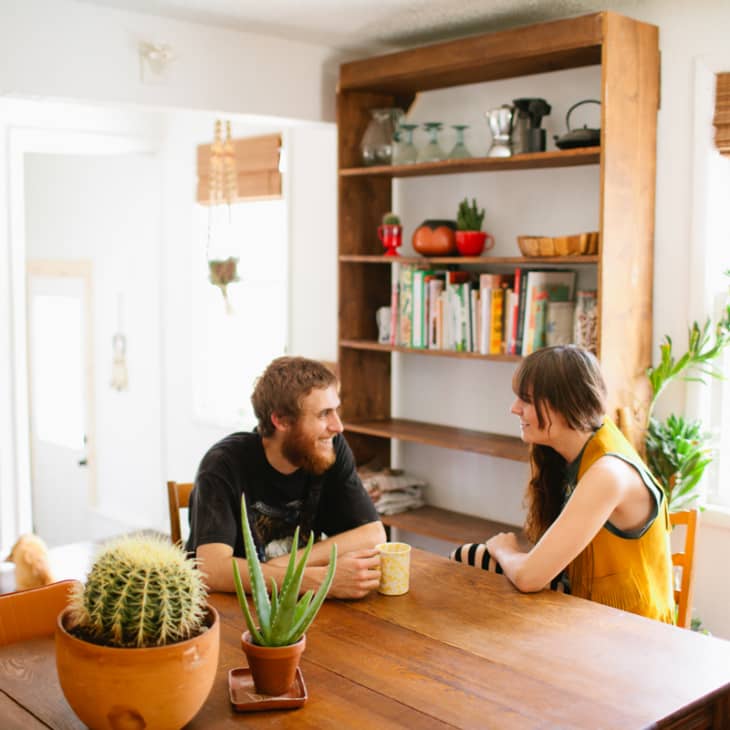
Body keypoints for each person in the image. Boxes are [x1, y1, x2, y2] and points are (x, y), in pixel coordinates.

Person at [452, 345, 674, 623]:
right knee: (470, 556)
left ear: (567, 404)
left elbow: (529, 578)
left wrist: (504, 548)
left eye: (527, 400)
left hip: (631, 633)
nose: (514, 408)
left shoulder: (608, 472)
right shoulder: (573, 445)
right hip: (588, 607)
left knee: (485, 560)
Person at [187, 356, 386, 599]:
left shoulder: (329, 447)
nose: (338, 426)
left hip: (296, 608)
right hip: (234, 611)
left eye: (336, 410)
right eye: (324, 414)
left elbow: (373, 534)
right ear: (280, 420)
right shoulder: (223, 464)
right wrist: (316, 581)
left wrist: (286, 565)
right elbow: (212, 570)